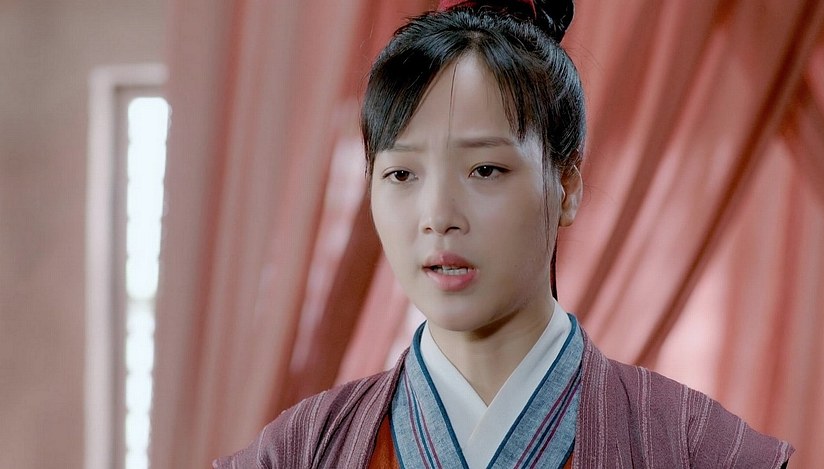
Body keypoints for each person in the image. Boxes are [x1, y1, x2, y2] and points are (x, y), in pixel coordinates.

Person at [215, 0, 794, 467]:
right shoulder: (298, 452)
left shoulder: (698, 449)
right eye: (401, 174)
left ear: (566, 185)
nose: (438, 215)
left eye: (485, 170)